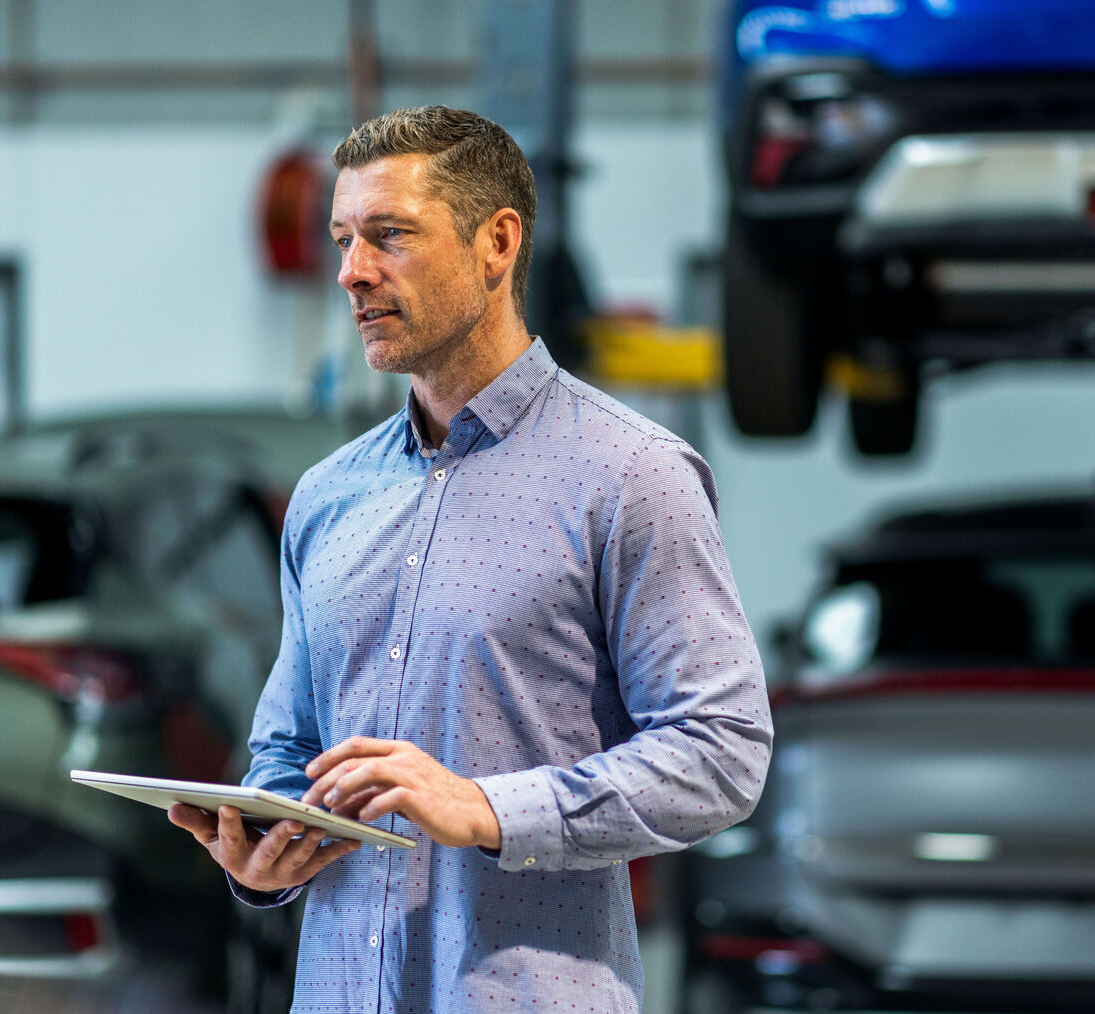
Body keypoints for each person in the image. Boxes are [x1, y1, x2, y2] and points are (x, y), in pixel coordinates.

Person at [169, 104, 772, 1013]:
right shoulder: (330, 496)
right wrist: (264, 853)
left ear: (497, 244)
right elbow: (289, 746)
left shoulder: (629, 476)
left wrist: (491, 812)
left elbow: (721, 751)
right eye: (342, 240)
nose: (352, 273)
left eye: (390, 236)